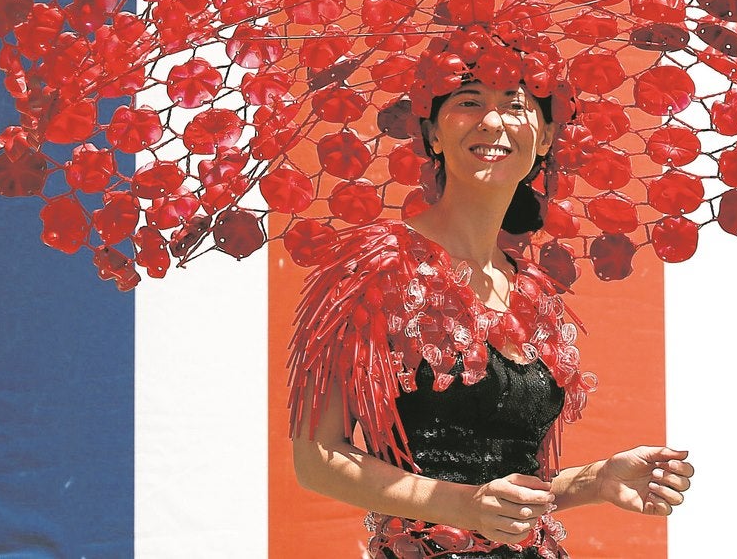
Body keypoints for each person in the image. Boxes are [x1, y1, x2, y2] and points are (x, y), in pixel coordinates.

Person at [287, 38, 695, 559]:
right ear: (432, 132)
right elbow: (318, 457)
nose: (493, 121)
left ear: (545, 137)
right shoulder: (373, 267)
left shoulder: (534, 291)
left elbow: (507, 491)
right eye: (469, 101)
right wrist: (463, 507)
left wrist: (593, 482)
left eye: (516, 104)